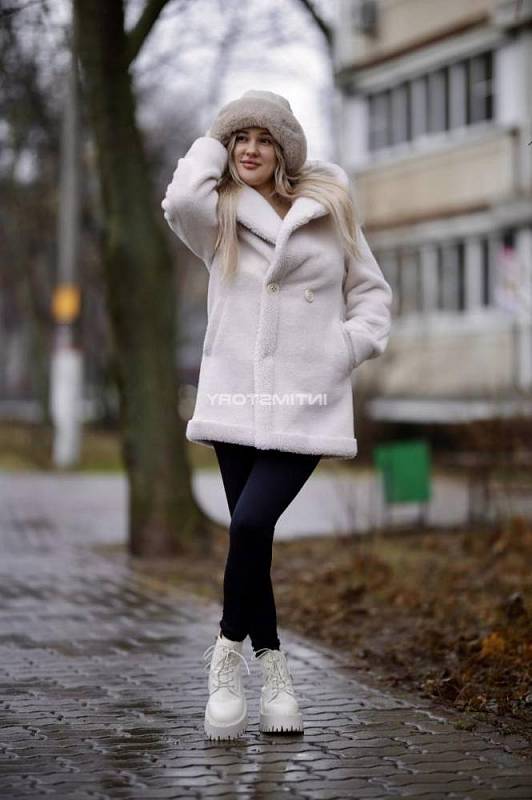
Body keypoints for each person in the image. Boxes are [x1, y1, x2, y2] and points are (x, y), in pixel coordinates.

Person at [161, 90, 393, 740]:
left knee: (251, 522)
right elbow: (179, 201)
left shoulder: (330, 207)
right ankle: (275, 673)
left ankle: (224, 657)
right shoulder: (219, 214)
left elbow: (372, 295)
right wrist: (213, 139)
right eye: (240, 138)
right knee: (250, 539)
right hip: (237, 400)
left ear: (285, 149)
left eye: (264, 139)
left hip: (306, 402)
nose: (251, 149)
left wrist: (341, 350)